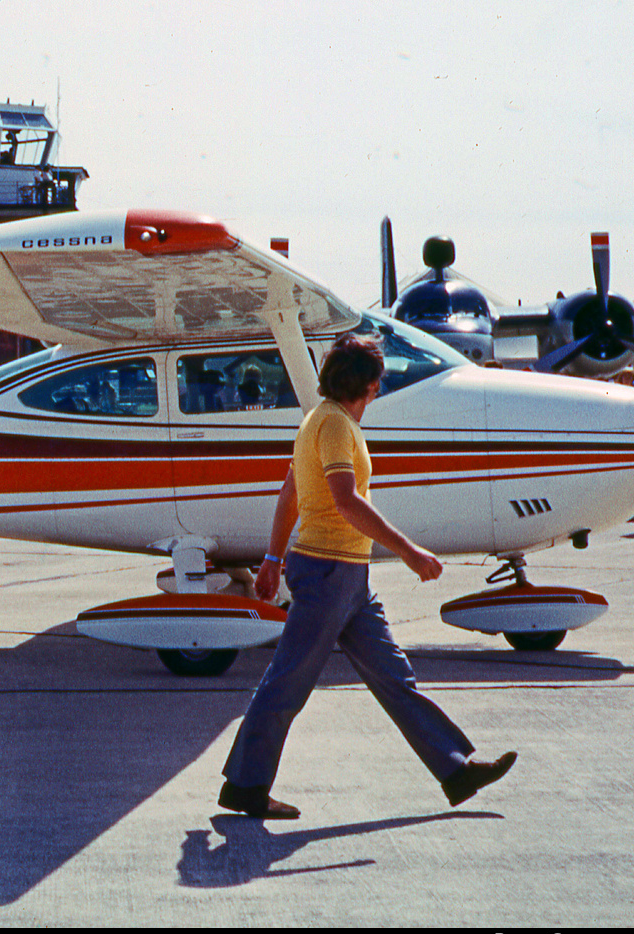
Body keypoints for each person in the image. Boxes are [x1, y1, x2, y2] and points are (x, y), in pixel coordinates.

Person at [218, 334, 516, 820]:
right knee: (287, 683)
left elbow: (289, 492)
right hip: (328, 571)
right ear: (373, 386)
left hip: (346, 577)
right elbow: (346, 500)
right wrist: (410, 551)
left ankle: (457, 769)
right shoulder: (334, 427)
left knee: (395, 677)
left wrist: (272, 561)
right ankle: (246, 786)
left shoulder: (318, 420)